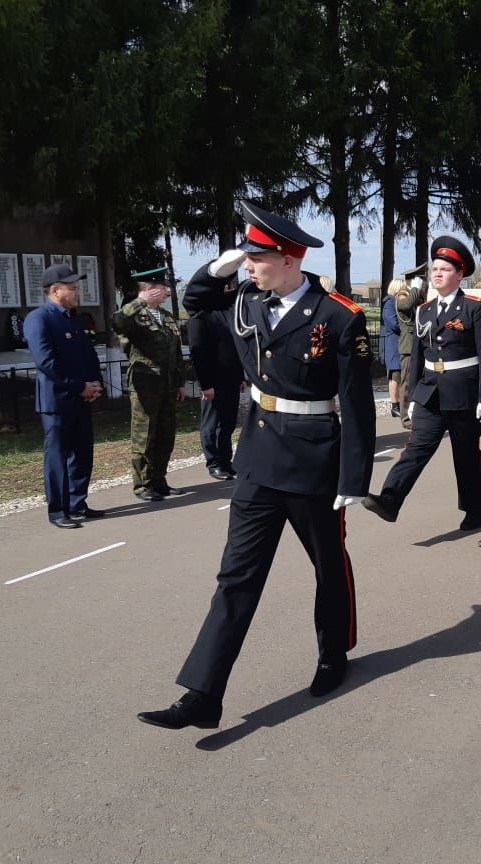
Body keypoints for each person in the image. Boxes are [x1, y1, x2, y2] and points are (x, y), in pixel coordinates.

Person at [138, 203, 375, 730]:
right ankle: (202, 695)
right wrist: (221, 266)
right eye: (245, 258)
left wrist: (354, 480)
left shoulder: (338, 315)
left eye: (256, 257)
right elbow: (196, 301)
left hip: (315, 461)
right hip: (260, 456)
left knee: (328, 567)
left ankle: (333, 654)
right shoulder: (245, 299)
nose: (248, 266)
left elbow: (357, 404)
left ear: (289, 259)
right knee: (236, 577)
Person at [362, 236, 481, 531]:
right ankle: (390, 499)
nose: (436, 273)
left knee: (465, 455)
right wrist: (410, 398)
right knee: (416, 447)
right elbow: (417, 358)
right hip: (430, 393)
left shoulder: (477, 308)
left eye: (445, 269)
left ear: (460, 274)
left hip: (464, 392)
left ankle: (473, 509)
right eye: (434, 269)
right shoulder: (424, 310)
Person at [23, 264, 105, 529]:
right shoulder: (40, 318)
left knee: (82, 454)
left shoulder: (73, 319)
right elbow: (46, 362)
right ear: (55, 290)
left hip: (82, 398)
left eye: (76, 287)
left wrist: (95, 384)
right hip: (57, 402)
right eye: (72, 288)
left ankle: (77, 503)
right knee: (57, 457)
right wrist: (79, 386)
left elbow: (88, 355)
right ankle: (58, 510)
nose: (76, 292)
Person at [111, 267, 188, 502]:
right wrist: (139, 301)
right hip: (145, 384)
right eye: (162, 287)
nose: (166, 290)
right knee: (144, 435)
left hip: (167, 384)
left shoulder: (165, 316)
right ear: (148, 289)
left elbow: (176, 352)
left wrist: (180, 383)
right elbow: (117, 322)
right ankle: (142, 485)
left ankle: (159, 480)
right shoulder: (134, 313)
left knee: (166, 434)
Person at [184, 271, 245, 480]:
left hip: (231, 378)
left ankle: (226, 461)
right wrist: (205, 384)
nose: (228, 291)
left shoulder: (228, 314)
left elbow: (235, 348)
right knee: (212, 423)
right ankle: (214, 462)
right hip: (213, 380)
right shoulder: (199, 318)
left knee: (227, 423)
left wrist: (240, 377)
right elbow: (198, 354)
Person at [395, 263, 427, 429]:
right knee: (407, 383)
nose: (424, 282)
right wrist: (415, 289)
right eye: (421, 279)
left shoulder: (417, 296)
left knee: (419, 380)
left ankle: (417, 414)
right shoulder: (403, 294)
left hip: (418, 344)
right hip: (408, 346)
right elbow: (405, 306)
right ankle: (406, 418)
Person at [381, 279, 403, 415]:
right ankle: (395, 406)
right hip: (394, 344)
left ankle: (400, 403)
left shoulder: (395, 302)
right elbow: (393, 323)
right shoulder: (390, 303)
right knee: (395, 375)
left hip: (399, 343)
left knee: (399, 375)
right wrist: (407, 328)